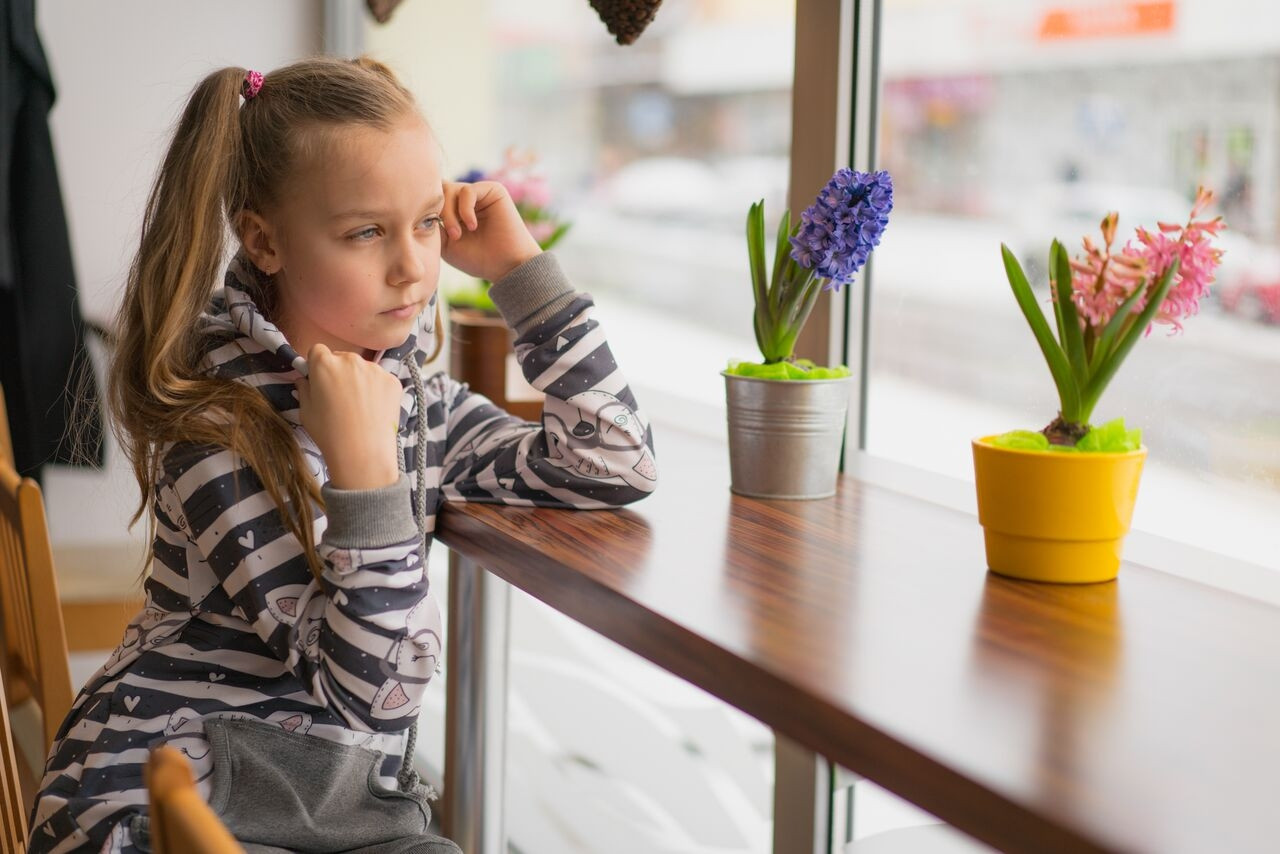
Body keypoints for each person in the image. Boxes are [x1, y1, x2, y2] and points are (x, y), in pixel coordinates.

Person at [28, 56, 657, 853]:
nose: (413, 266)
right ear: (265, 241)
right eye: (366, 232)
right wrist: (367, 478)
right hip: (162, 805)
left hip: (324, 805)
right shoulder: (220, 422)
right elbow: (374, 694)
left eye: (426, 222)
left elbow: (615, 461)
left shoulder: (409, 400)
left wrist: (521, 274)